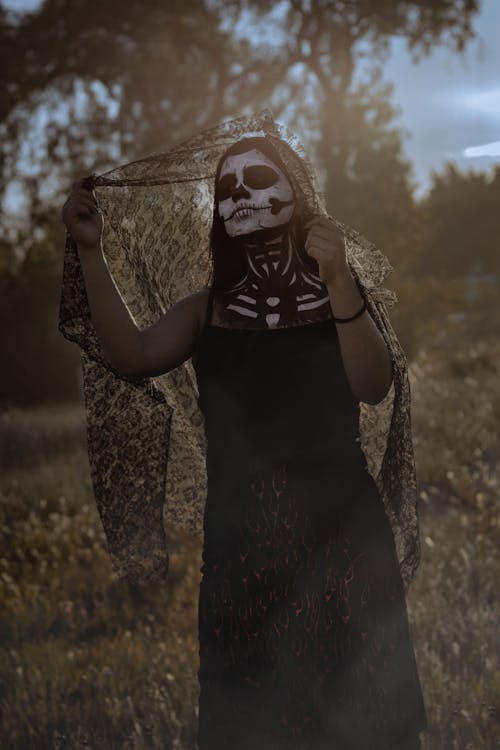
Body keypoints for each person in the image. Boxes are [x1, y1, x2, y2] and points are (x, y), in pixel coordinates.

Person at [61, 113, 427, 749]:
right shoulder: (208, 308)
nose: (241, 197)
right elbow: (132, 356)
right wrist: (92, 253)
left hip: (344, 539)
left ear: (295, 193)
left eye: (257, 181)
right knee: (253, 723)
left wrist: (339, 277)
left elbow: (372, 386)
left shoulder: (337, 295)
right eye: (227, 191)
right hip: (243, 550)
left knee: (369, 718)